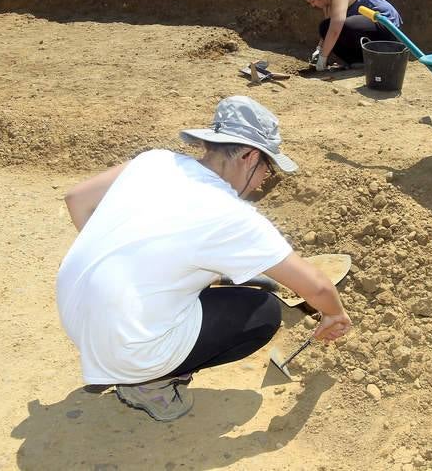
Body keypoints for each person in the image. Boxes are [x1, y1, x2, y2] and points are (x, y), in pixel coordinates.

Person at [56, 95, 352, 422]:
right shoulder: (231, 215)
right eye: (266, 169)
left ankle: (126, 357)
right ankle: (148, 383)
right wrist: (334, 316)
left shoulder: (154, 161)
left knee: (185, 281)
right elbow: (319, 289)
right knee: (263, 312)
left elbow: (76, 200)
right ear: (248, 155)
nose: (262, 181)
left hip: (77, 317)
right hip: (128, 346)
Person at [302, 0, 402, 70]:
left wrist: (323, 58)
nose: (313, 5)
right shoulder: (328, 0)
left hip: (388, 27)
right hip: (374, 29)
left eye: (313, 1)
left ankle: (369, 60)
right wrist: (319, 49)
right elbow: (328, 29)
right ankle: (357, 61)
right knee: (325, 27)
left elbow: (334, 31)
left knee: (345, 26)